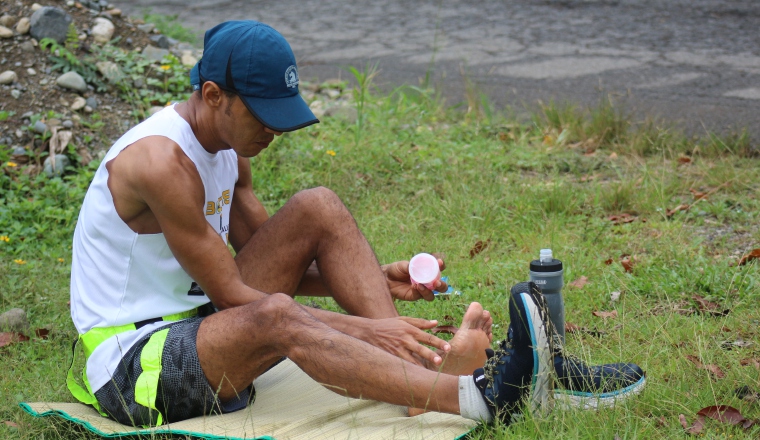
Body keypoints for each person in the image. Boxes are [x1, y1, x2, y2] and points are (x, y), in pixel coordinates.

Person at [67, 20, 644, 428]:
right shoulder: (159, 163)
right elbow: (242, 297)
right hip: (132, 366)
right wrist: (365, 330)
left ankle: (418, 376)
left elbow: (270, 269)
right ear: (214, 95)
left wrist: (376, 276)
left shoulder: (228, 151)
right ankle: (480, 397)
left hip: (203, 330)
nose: (275, 131)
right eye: (263, 116)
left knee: (317, 204)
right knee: (274, 317)